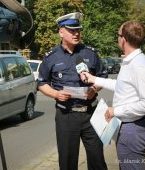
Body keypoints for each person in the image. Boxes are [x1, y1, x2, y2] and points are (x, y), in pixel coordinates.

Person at [81, 20, 145, 170]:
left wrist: (115, 111)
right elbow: (121, 86)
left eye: (118, 35)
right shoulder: (131, 61)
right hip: (130, 128)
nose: (117, 38)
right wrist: (94, 79)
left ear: (124, 39)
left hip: (133, 130)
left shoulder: (138, 65)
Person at [38, 12, 108, 170]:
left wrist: (94, 88)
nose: (76, 33)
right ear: (61, 31)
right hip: (66, 116)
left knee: (98, 161)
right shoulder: (51, 57)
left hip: (91, 113)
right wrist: (56, 94)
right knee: (68, 162)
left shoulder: (90, 53)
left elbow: (102, 75)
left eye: (78, 30)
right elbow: (42, 83)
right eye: (72, 30)